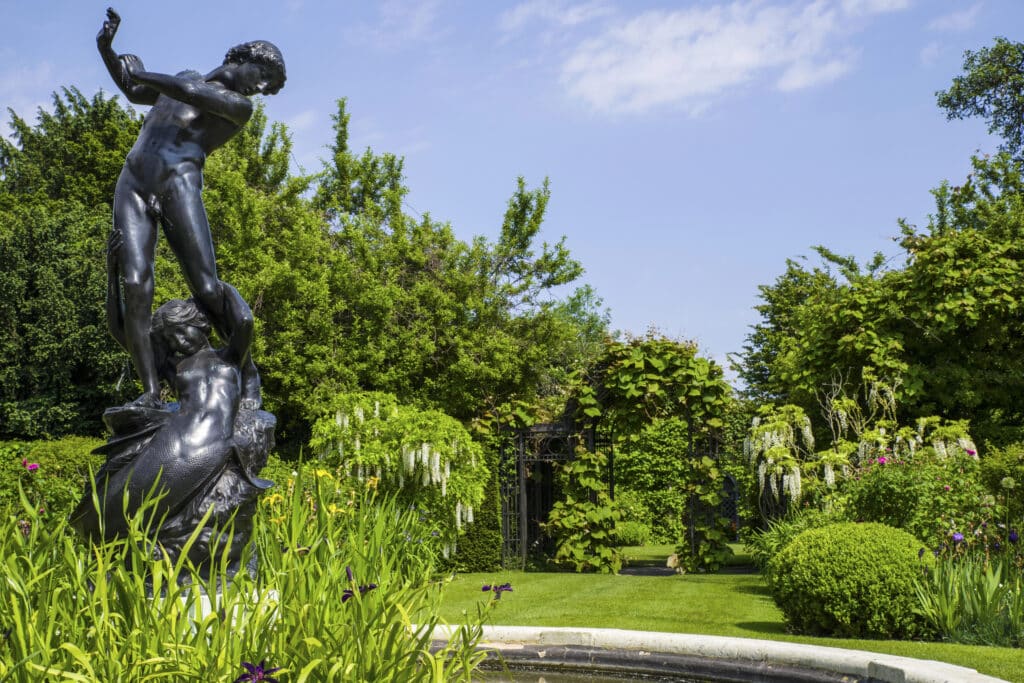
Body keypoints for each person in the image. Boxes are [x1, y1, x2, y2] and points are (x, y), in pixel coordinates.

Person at [96, 7, 286, 409]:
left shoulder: (237, 107)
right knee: (134, 286)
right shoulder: (181, 78)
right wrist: (107, 49)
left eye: (269, 86)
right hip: (132, 184)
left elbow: (193, 95)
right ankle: (149, 392)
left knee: (205, 287)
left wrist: (142, 73)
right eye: (264, 76)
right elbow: (133, 92)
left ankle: (246, 367)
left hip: (178, 185)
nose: (263, 88)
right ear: (243, 58)